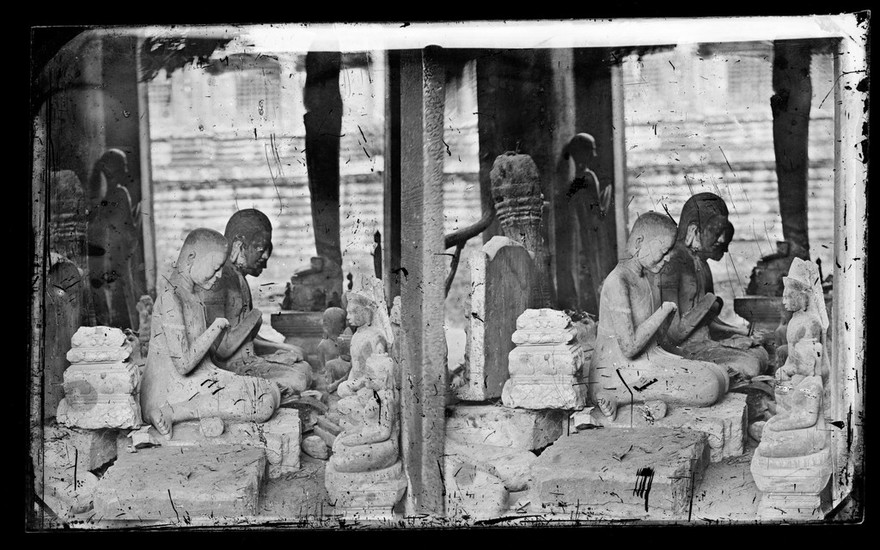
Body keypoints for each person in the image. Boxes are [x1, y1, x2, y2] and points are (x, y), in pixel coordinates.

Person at [140, 228, 280, 439]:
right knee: (262, 403)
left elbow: (206, 361)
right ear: (191, 258)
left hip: (198, 380)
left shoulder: (195, 296)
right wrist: (215, 328)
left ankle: (202, 412)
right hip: (168, 392)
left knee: (270, 389)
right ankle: (170, 413)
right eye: (215, 268)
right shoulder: (170, 298)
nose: (219, 276)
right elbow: (184, 364)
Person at [589, 212, 729, 421]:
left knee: (720, 374)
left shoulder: (646, 277)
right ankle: (617, 395)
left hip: (647, 364)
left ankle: (650, 396)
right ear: (639, 242)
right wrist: (663, 311)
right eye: (664, 251)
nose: (668, 258)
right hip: (616, 372)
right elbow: (629, 348)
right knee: (708, 384)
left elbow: (654, 341)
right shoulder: (617, 282)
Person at [656, 193, 768, 380]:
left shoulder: (702, 264)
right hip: (682, 349)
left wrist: (741, 332)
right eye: (716, 235)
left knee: (760, 352)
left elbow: (709, 323)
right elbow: (673, 334)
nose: (722, 243)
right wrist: (709, 303)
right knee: (751, 363)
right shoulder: (672, 263)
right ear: (693, 230)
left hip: (704, 343)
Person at [203, 209, 312, 396]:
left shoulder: (239, 278)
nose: (265, 259)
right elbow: (220, 349)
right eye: (260, 249)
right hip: (228, 369)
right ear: (239, 245)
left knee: (302, 362)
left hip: (247, 361)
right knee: (300, 377)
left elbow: (249, 340)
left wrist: (283, 349)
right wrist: (255, 316)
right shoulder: (220, 279)